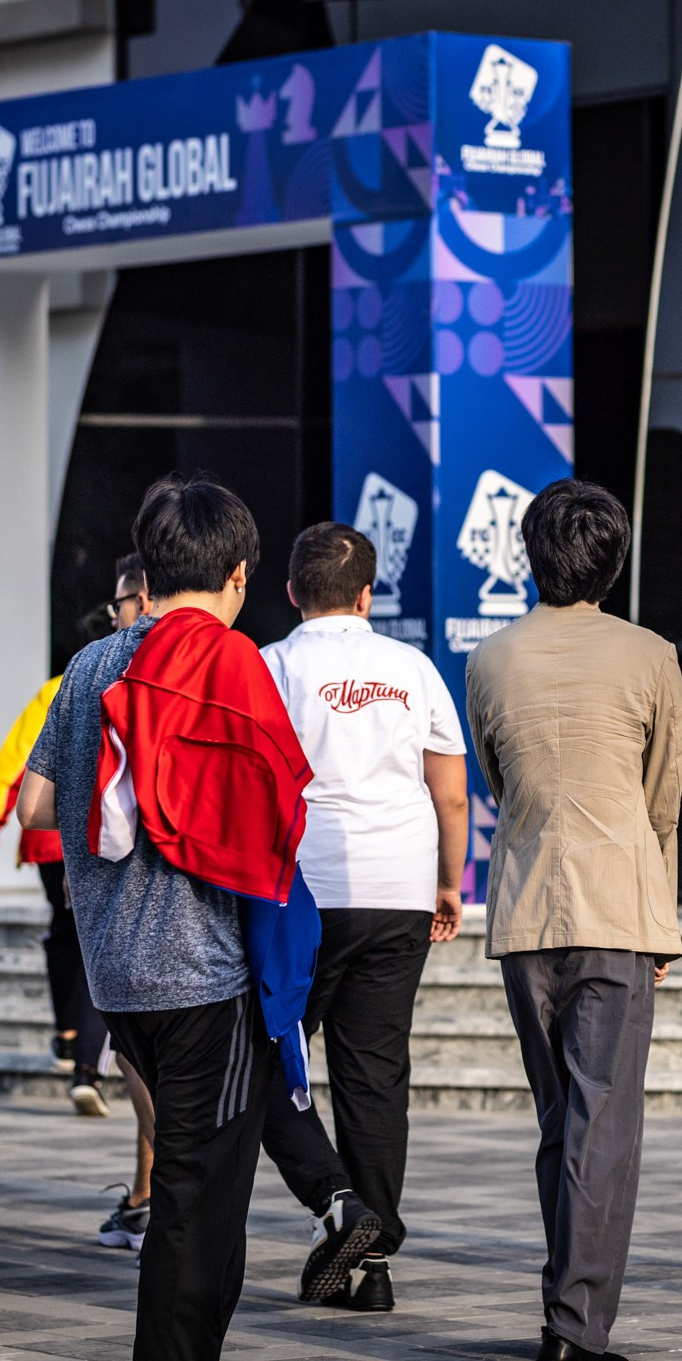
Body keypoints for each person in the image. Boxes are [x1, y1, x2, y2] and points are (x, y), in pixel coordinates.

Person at [17, 475, 320, 1361]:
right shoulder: (235, 666)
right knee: (201, 1200)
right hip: (208, 976)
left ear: (147, 570)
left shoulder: (87, 670)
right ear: (237, 575)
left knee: (185, 1186)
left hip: (119, 979)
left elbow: (51, 811)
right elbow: (274, 818)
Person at [464, 479, 682, 1361]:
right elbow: (662, 794)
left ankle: (565, 1302)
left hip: (525, 906)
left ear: (530, 555)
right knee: (605, 1123)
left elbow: (494, 780)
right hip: (619, 905)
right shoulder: (651, 654)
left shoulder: (488, 659)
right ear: (615, 559)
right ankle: (576, 1327)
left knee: (562, 1120)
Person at [259, 522, 469, 1312]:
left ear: (290, 591)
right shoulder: (412, 668)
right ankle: (373, 1268)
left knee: (264, 1060)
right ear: (368, 594)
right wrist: (449, 883)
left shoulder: (272, 664)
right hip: (400, 887)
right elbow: (449, 790)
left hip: (302, 890)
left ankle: (335, 1199)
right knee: (375, 1076)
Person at [0, 556, 145, 1120]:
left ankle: (70, 1034)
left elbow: (18, 763)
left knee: (63, 936)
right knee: (93, 943)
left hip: (53, 843)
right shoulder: (141, 679)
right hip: (94, 841)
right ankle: (86, 1064)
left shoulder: (63, 684)